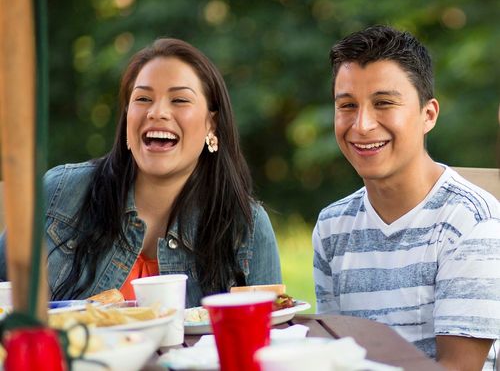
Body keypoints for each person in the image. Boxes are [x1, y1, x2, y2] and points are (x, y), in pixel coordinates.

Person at [0, 38, 282, 308]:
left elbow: (270, 335)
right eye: (143, 98)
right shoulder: (59, 192)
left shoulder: (247, 227)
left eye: (180, 100)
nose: (157, 112)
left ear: (212, 123)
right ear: (126, 118)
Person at [313, 25, 500, 370]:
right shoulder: (331, 226)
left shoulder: (473, 222)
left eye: (383, 103)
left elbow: (458, 368)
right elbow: (332, 353)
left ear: (428, 115)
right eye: (347, 105)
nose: (362, 125)